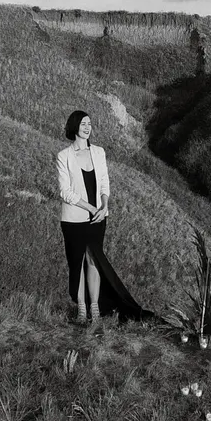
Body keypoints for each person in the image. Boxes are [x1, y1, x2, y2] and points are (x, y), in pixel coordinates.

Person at [56, 110, 149, 324]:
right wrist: (90, 207)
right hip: (73, 220)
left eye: (89, 123)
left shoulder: (99, 152)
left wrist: (104, 205)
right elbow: (65, 192)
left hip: (98, 218)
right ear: (74, 127)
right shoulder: (64, 156)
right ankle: (81, 309)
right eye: (83, 124)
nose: (87, 127)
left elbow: (105, 182)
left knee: (94, 260)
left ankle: (95, 308)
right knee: (77, 262)